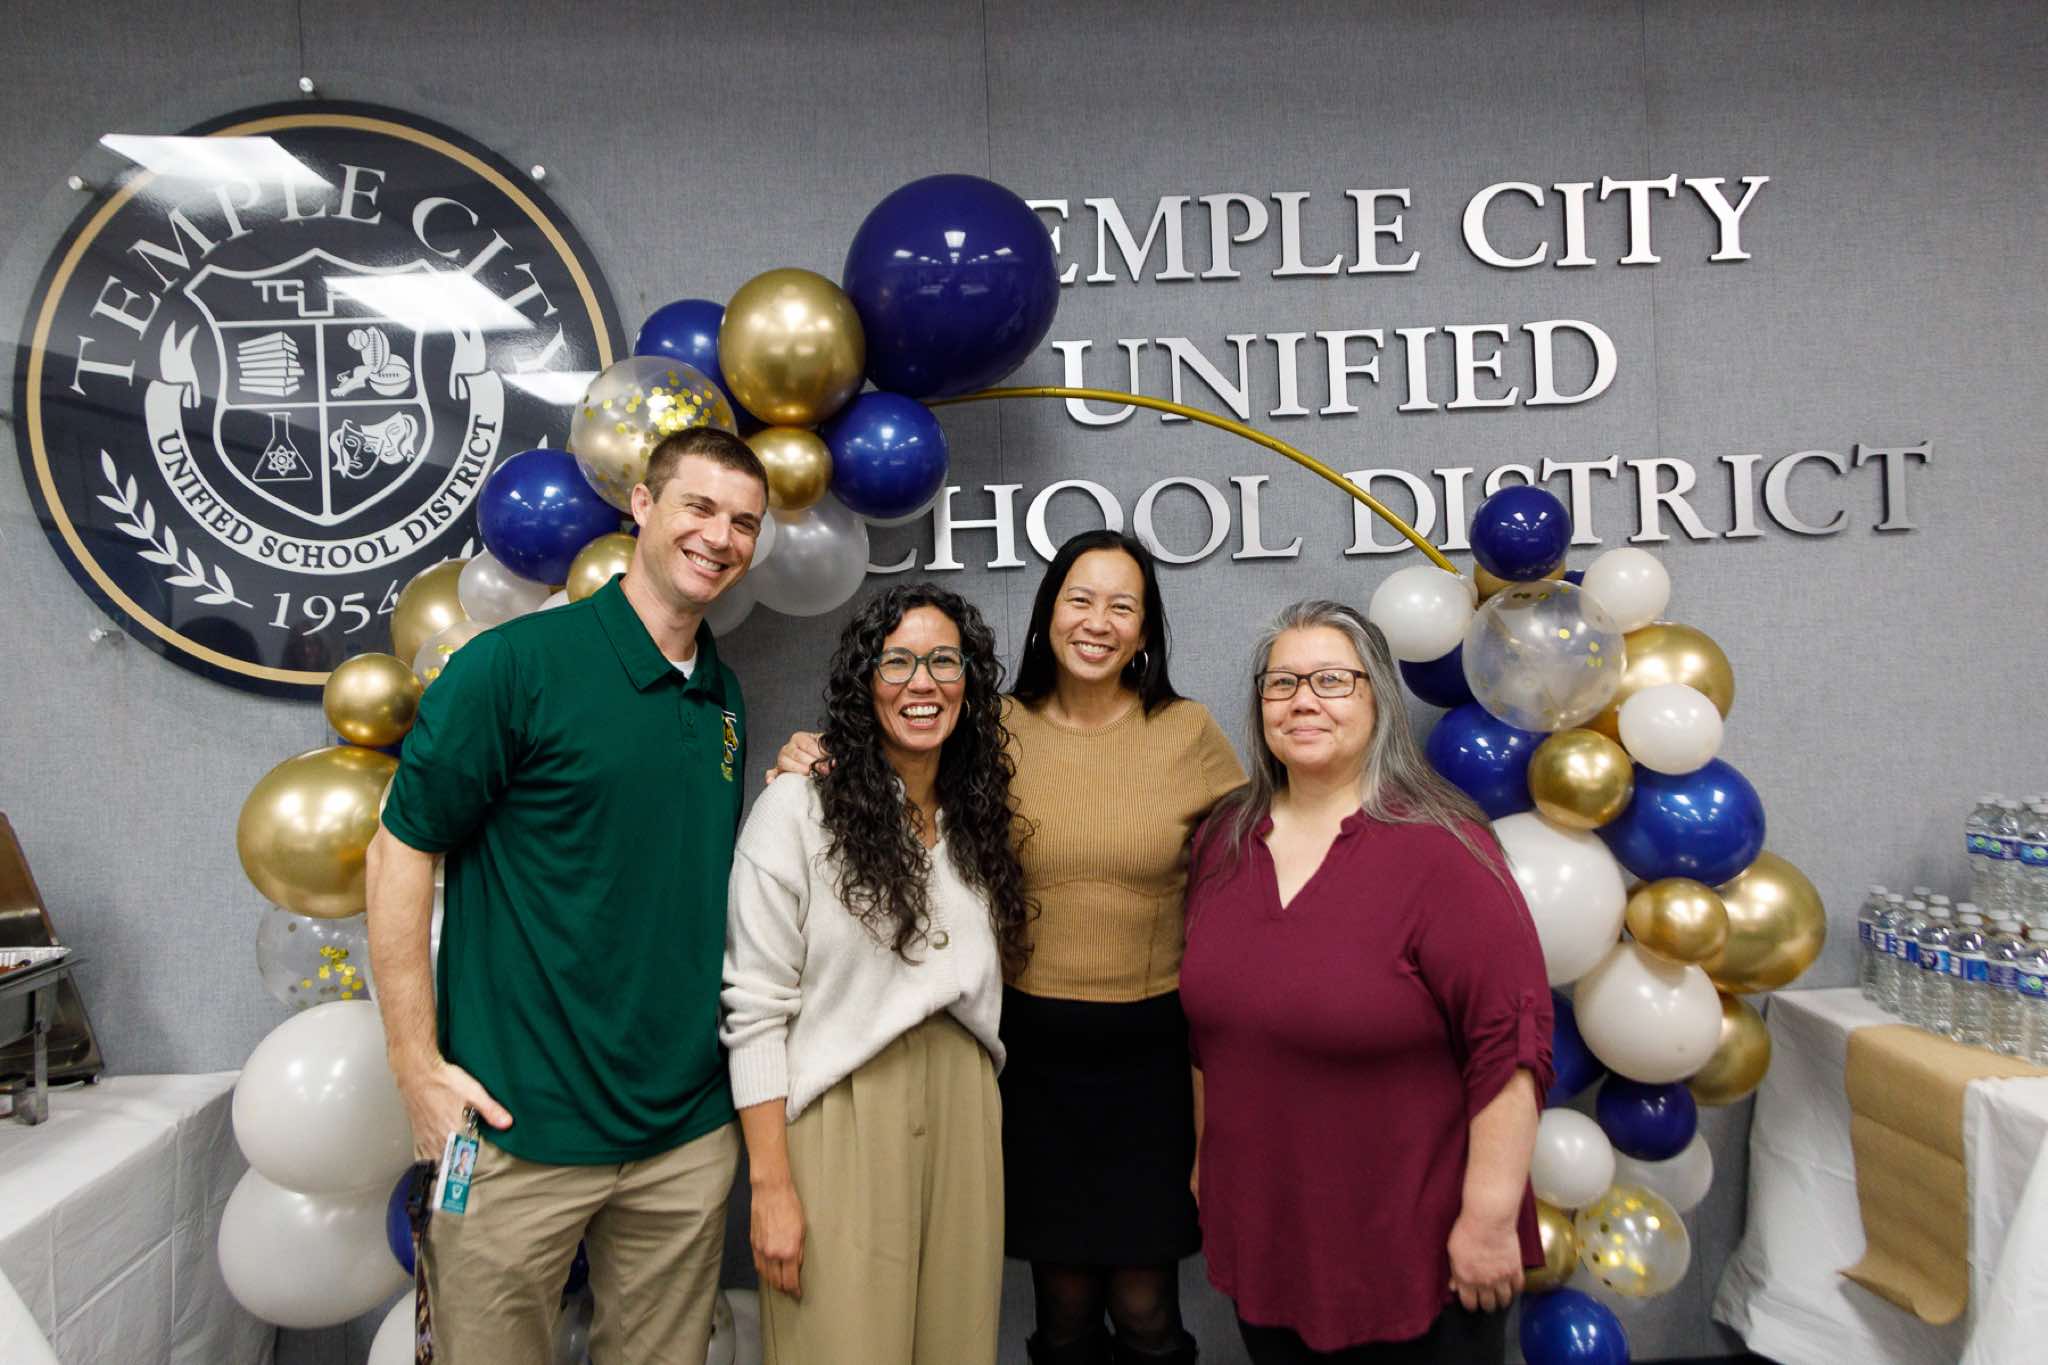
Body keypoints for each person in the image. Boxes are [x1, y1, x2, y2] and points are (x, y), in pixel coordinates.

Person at [774, 529, 1244, 1365]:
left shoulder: (1188, 731)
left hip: (1153, 1063)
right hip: (1028, 1055)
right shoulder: (992, 728)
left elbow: (1255, 862)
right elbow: (898, 761)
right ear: (1047, 613)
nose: (1097, 621)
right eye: (1079, 599)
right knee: (1063, 1306)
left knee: (1147, 1308)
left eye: (1122, 606)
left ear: (1145, 630)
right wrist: (811, 755)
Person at [367, 426, 769, 1365]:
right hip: (515, 1131)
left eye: (744, 522)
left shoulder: (723, 695)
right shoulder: (513, 667)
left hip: (682, 1136)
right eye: (699, 507)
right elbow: (398, 851)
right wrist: (415, 1066)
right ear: (643, 506)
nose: (720, 537)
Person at [1180, 600, 1553, 1365]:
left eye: (1331, 680)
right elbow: (1208, 1033)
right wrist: (1204, 1163)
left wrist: (1488, 1218)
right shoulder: (1223, 841)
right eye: (1282, 682)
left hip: (1416, 1248)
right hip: (1270, 1232)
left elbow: (1510, 1042)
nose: (1302, 700)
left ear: (1378, 697)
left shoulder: (1444, 847)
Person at [723, 583, 1033, 1365]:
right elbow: (753, 1007)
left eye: (944, 662)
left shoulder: (977, 817)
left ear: (969, 681)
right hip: (841, 1113)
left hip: (965, 1107)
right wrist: (770, 1185)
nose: (922, 683)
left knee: (959, 1349)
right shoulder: (797, 809)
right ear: (865, 681)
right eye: (897, 662)